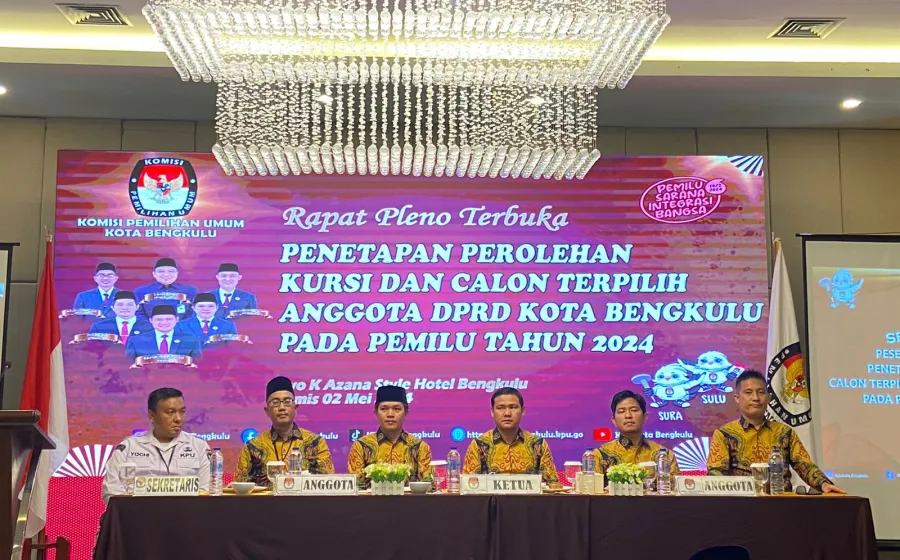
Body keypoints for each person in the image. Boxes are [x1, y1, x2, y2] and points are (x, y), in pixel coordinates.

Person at [706, 369, 845, 494]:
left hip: (782, 504)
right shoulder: (725, 434)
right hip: (742, 505)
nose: (756, 398)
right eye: (748, 393)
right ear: (737, 398)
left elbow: (804, 465)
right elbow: (715, 475)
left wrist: (824, 484)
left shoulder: (784, 432)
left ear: (768, 398)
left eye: (761, 392)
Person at [101, 388, 210, 503]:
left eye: (182, 412)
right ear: (152, 415)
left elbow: (208, 491)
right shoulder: (128, 447)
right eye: (170, 412)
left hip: (188, 512)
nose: (178, 419)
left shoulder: (199, 447)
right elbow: (111, 492)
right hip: (139, 513)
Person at [235, 376, 334, 486]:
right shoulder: (252, 447)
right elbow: (240, 488)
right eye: (275, 402)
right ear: (267, 411)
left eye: (287, 401)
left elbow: (328, 485)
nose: (282, 407)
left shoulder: (315, 443)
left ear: (295, 408)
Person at [462, 387, 560, 486]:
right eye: (501, 408)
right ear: (492, 411)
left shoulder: (538, 444)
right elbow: (468, 486)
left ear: (523, 411)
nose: (507, 413)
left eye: (513, 407)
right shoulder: (480, 444)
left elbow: (553, 486)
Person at [347, 385, 433, 485]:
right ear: (375, 412)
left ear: (406, 412)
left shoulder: (420, 447)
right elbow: (355, 486)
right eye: (384, 409)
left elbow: (428, 486)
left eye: (397, 409)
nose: (390, 414)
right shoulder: (361, 446)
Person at [594, 390, 680, 481]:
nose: (628, 415)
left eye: (634, 410)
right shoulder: (600, 455)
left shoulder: (664, 455)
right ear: (614, 420)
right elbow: (592, 488)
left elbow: (676, 486)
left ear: (645, 417)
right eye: (621, 411)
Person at [124, 304, 202, 360]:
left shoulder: (191, 340)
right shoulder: (136, 340)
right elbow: (128, 365)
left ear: (177, 319)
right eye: (159, 319)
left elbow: (198, 365)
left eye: (168, 319)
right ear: (151, 320)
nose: (164, 323)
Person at [134, 257, 198, 320]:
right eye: (161, 271)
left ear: (177, 273)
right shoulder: (141, 291)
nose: (166, 274)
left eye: (171, 271)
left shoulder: (190, 291)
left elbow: (194, 313)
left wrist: (181, 325)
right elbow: (138, 313)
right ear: (154, 274)